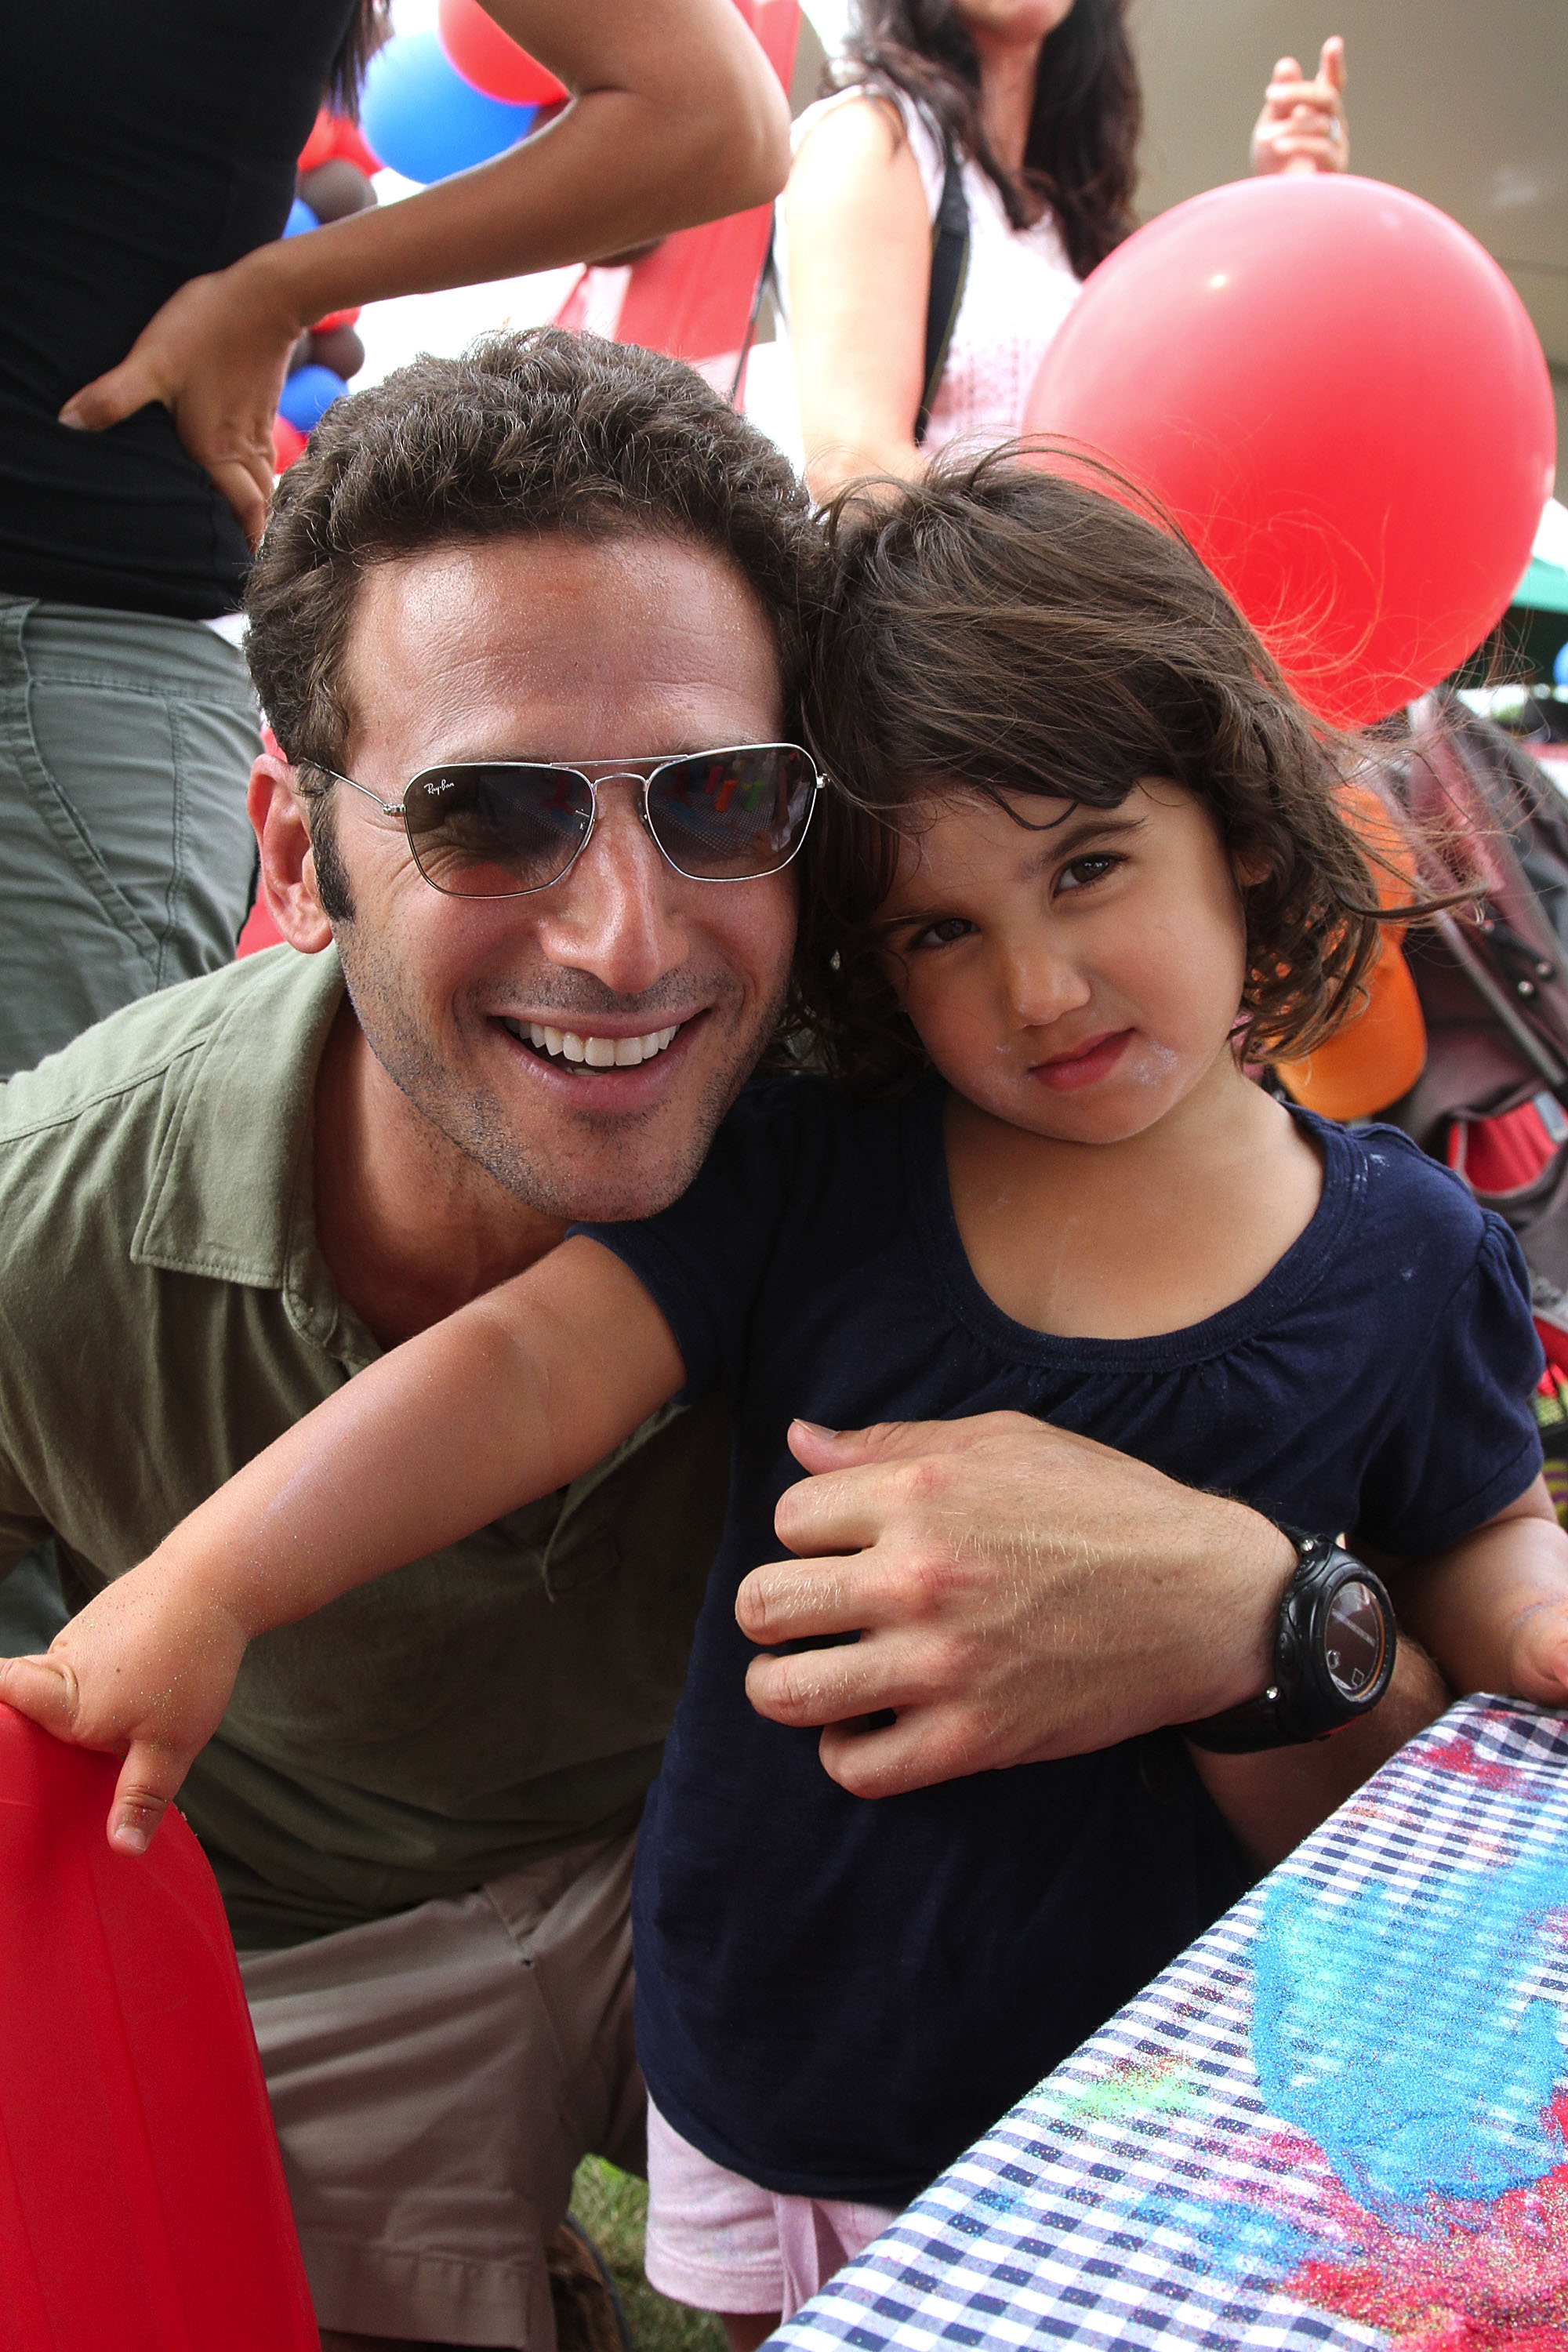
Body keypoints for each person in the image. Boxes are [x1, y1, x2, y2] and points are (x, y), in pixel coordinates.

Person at [16, 444, 1543, 2340]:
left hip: (1149, 2076)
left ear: (1234, 824)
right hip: (765, 2062)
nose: (1044, 983)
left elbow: (1475, 1526)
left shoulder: (1404, 1250)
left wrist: (1509, 1617)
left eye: (1083, 867)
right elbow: (518, 1365)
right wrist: (211, 1581)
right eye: (937, 931)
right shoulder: (827, 1171)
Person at [0, 0, 789, 1666]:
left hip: (59, 644)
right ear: (293, 862)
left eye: (721, 798)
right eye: (492, 817)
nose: (625, 938)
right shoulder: (64, 1206)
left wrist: (1277, 1605)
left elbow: (711, 110)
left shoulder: (940, 1106)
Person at [779, 2, 1349, 499]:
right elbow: (854, 469)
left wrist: (1286, 202)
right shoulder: (868, 137)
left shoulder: (1071, 223)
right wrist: (1071, 591)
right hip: (955, 616)